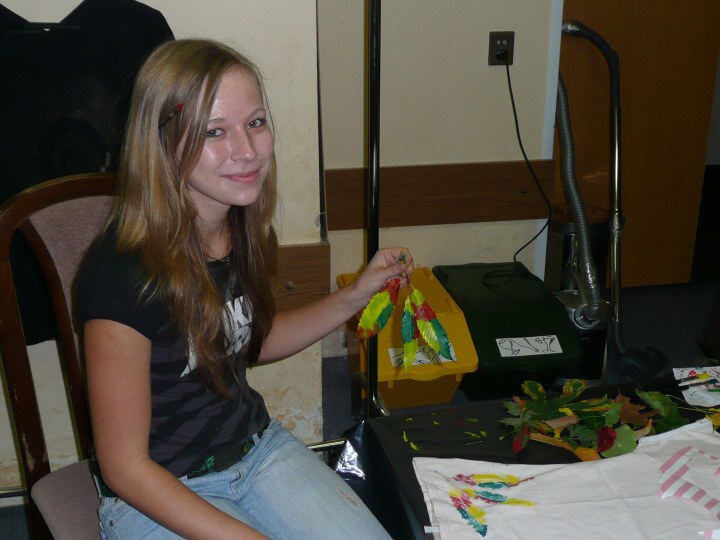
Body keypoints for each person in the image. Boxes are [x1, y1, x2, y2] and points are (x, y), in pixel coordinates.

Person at [75, 38, 413, 539]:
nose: (247, 150)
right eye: (214, 131)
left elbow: (251, 339)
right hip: (157, 488)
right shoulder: (121, 275)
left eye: (255, 122)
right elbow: (126, 468)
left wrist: (355, 295)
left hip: (255, 451)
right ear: (162, 143)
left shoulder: (241, 230)